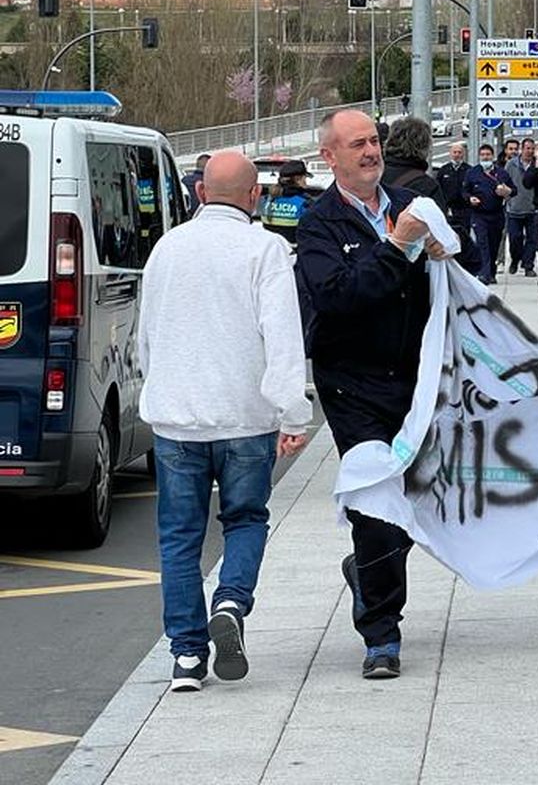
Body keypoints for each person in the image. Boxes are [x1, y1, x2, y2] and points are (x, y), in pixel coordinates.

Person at [136, 150, 313, 693]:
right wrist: (294, 413)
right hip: (244, 419)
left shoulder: (166, 248)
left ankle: (187, 658)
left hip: (177, 421)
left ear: (199, 193)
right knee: (245, 520)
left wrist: (157, 389)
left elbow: (147, 334)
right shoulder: (265, 249)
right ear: (255, 196)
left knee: (179, 539)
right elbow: (282, 336)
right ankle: (232, 601)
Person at [295, 110, 451, 681]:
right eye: (357, 144)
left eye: (375, 141)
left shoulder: (413, 206)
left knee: (423, 499)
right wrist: (396, 246)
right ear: (330, 157)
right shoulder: (318, 226)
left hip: (415, 383)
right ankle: (382, 634)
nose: (371, 151)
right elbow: (340, 297)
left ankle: (368, 573)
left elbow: (459, 280)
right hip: (352, 387)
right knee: (376, 505)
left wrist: (440, 252)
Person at [382, 118, 481, 277]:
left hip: (377, 265)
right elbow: (441, 234)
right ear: (425, 147)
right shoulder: (425, 186)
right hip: (412, 275)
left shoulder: (372, 178)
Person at [463, 143, 514, 284]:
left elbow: (513, 190)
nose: (485, 157)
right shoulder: (472, 173)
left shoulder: (501, 173)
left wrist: (506, 191)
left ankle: (491, 271)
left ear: (492, 156)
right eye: (483, 155)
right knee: (482, 243)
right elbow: (464, 191)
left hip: (497, 214)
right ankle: (484, 273)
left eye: (488, 155)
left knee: (494, 244)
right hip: (479, 214)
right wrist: (469, 198)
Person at [506, 140, 538, 278]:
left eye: (532, 148)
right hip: (515, 207)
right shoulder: (514, 164)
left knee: (534, 240)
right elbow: (526, 182)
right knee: (515, 238)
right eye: (528, 148)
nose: (530, 151)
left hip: (535, 209)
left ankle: (529, 265)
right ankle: (516, 259)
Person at [433, 141, 474, 256]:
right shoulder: (444, 170)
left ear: (463, 154)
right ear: (450, 154)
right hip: (449, 209)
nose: (457, 155)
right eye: (454, 152)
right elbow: (438, 189)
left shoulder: (469, 170)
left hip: (465, 209)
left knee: (465, 234)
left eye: (459, 152)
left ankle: (464, 256)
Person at [261, 160, 314, 246]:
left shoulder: (269, 200)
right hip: (295, 255)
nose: (306, 182)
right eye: (305, 178)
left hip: (271, 253)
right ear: (298, 179)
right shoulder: (304, 203)